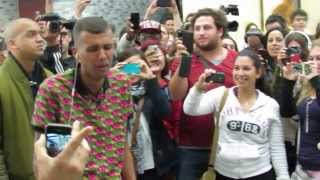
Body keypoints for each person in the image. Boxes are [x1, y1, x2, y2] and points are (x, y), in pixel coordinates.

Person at [32, 16, 136, 179]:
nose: (102, 55)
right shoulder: (54, 90)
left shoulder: (121, 83)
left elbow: (122, 144)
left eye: (107, 47)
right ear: (76, 53)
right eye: (93, 49)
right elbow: (40, 157)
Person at [183, 49, 290, 180]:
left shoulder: (270, 105)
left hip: (259, 173)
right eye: (236, 68)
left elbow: (276, 147)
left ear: (258, 72)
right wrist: (198, 88)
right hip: (224, 172)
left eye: (246, 69)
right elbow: (190, 109)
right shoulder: (221, 95)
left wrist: (283, 175)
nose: (240, 73)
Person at [169, 8, 237, 180]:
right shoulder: (182, 61)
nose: (201, 32)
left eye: (206, 27)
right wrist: (185, 60)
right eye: (197, 28)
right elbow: (176, 95)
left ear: (220, 30)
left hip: (230, 146)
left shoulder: (238, 61)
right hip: (192, 146)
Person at [0, 18, 49, 179]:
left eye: (40, 34)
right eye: (31, 34)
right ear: (13, 44)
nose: (40, 39)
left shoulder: (52, 80)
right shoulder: (2, 83)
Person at [280, 40, 320, 179]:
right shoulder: (307, 86)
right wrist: (288, 81)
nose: (314, 63)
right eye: (311, 59)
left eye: (319, 58)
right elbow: (287, 113)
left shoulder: (314, 81)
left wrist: (315, 79)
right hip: (302, 166)